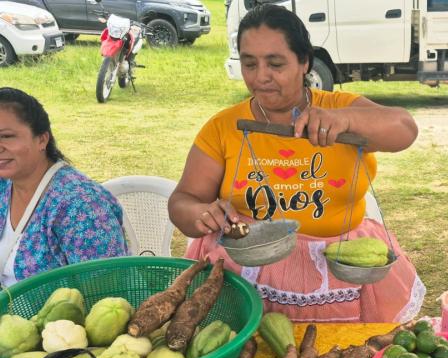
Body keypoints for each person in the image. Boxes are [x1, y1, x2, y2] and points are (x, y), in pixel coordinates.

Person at [168, 5, 424, 323]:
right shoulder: (224, 127)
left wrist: (344, 120)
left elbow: (405, 129)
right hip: (246, 269)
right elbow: (183, 201)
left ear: (304, 62)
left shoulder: (340, 110)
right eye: (250, 64)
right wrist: (199, 214)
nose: (261, 76)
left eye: (275, 63)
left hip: (338, 268)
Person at [0, 87, 128, 287]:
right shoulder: (4, 184)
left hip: (57, 318)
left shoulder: (82, 206)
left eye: (6, 136)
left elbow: (107, 290)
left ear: (42, 139)